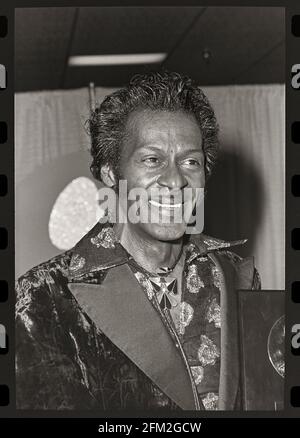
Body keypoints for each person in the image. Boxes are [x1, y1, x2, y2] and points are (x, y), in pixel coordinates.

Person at [15, 71, 261, 411]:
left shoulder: (236, 277)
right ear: (112, 174)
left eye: (191, 161)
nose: (175, 180)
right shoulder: (44, 296)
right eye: (152, 160)